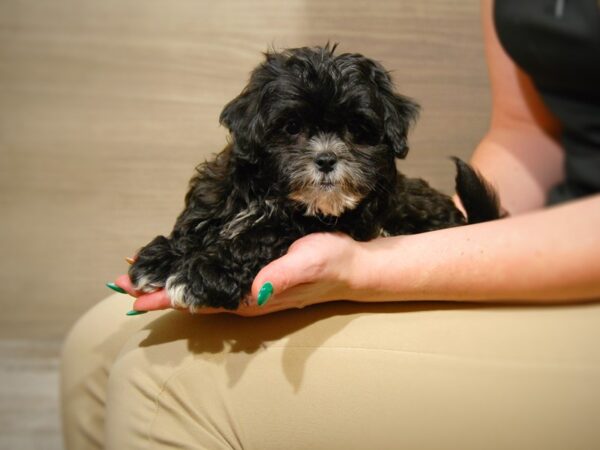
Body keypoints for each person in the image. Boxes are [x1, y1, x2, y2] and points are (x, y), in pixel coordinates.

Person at [61, 1, 600, 448]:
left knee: (154, 384)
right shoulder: (232, 181)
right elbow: (525, 131)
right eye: (294, 130)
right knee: (94, 342)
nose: (325, 154)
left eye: (353, 133)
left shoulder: (372, 200)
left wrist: (367, 266)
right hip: (528, 235)